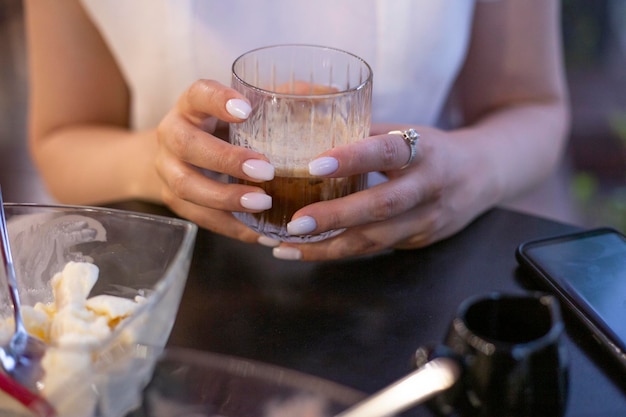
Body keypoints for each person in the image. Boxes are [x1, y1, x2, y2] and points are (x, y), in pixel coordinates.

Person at [23, 0, 569, 261]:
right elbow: (63, 136)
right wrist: (157, 164)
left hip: (416, 263)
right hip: (172, 284)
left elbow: (532, 106)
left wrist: (469, 170)